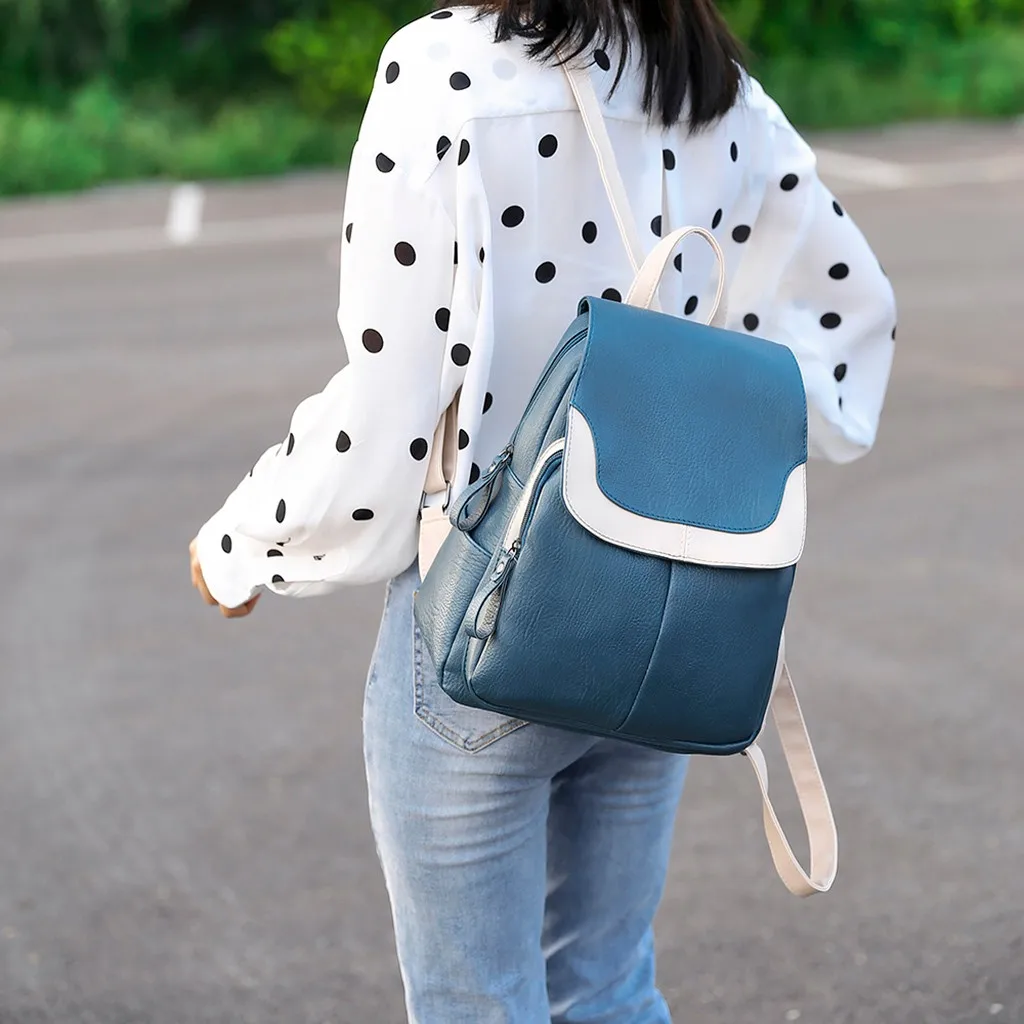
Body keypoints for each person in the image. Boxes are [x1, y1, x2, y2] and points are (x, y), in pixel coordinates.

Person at [190, 1, 896, 1019]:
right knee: (607, 988)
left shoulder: (443, 67)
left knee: (478, 1002)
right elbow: (847, 321)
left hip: (485, 618)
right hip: (665, 613)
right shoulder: (715, 88)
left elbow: (391, 398)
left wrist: (250, 544)